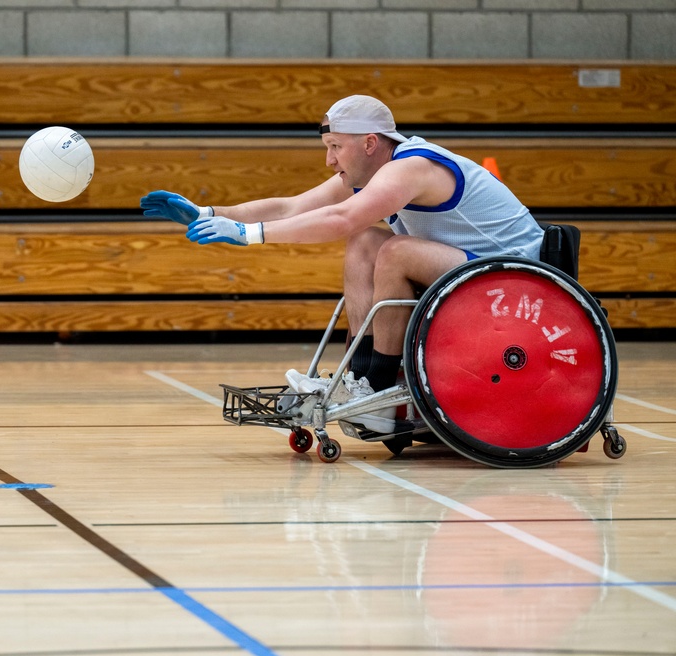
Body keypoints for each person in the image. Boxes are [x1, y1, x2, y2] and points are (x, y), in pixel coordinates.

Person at [140, 94, 545, 435]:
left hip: (520, 277)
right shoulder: (374, 170)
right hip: (474, 271)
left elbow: (339, 218)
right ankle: (360, 379)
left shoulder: (411, 167)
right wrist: (209, 211)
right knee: (367, 241)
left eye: (336, 147)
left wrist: (249, 235)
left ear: (370, 143)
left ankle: (379, 391)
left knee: (394, 250)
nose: (330, 161)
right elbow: (292, 207)